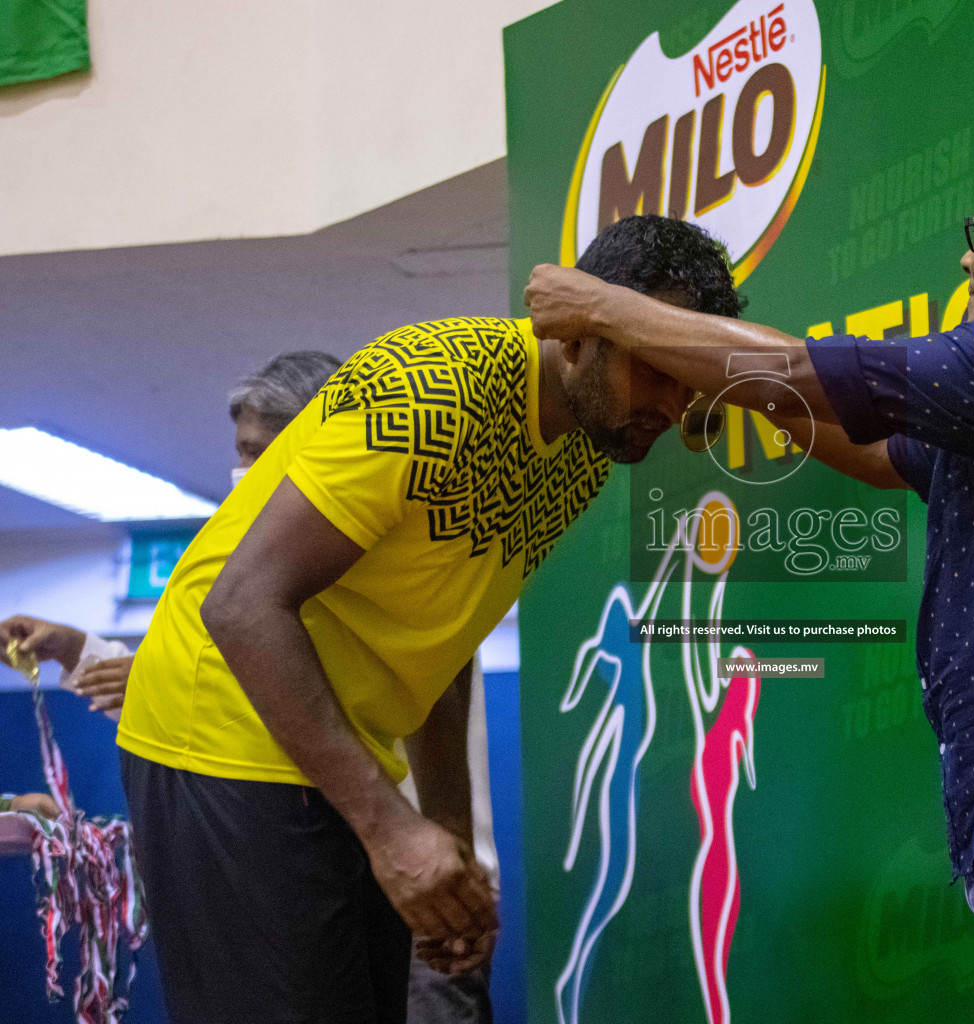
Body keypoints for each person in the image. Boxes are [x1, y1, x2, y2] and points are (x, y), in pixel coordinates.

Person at [525, 119, 974, 1023]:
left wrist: (601, 306)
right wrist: (735, 385)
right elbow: (879, 450)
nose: (968, 264)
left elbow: (806, 372)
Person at [115, 215, 741, 1024]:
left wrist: (442, 828)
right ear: (579, 337)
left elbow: (441, 633)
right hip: (219, 734)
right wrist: (389, 830)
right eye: (656, 369)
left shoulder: (586, 449)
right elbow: (240, 606)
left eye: (689, 374)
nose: (676, 401)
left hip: (336, 756)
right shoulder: (438, 385)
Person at [2, 347, 501, 1023]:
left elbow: (281, 691)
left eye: (267, 451)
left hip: (417, 883)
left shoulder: (392, 581)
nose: (249, 473)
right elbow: (218, 698)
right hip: (324, 855)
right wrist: (79, 651)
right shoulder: (266, 588)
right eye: (243, 452)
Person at [0, 351, 343, 719]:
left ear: (314, 452)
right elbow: (181, 680)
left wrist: (161, 683)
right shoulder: (232, 552)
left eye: (256, 453)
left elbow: (308, 702)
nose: (241, 471)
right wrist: (71, 648)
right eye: (241, 453)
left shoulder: (347, 558)